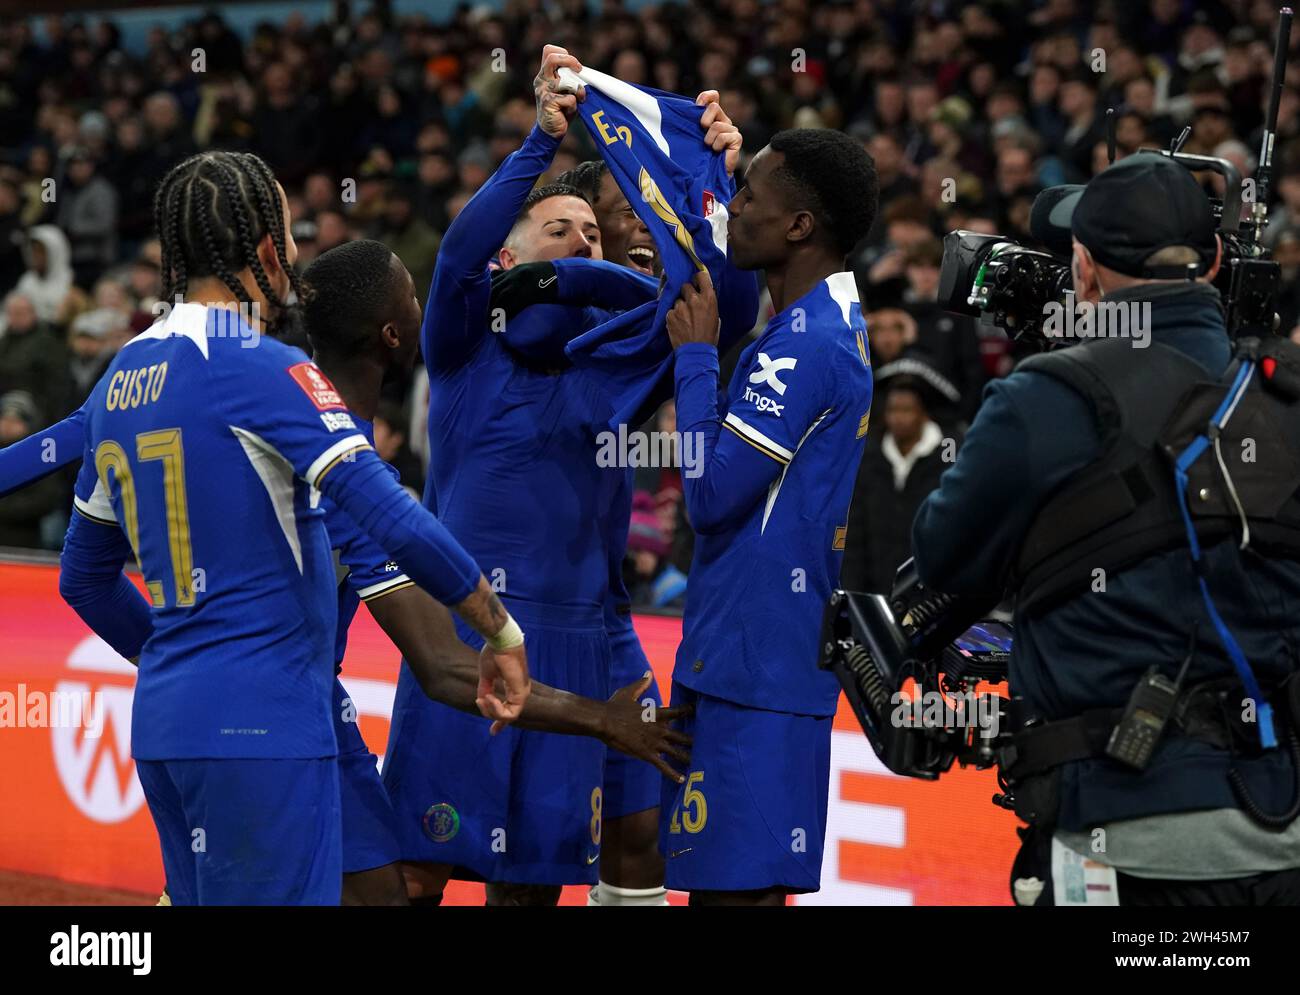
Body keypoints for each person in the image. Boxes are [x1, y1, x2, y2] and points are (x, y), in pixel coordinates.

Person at [57, 149, 530, 906]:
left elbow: (81, 576)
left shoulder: (120, 377)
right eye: (289, 236)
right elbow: (389, 513)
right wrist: (498, 628)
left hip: (166, 724)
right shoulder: (266, 367)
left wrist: (187, 657)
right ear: (269, 250)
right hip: (266, 728)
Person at [912, 154, 1300, 905]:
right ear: (1216, 259)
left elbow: (943, 556)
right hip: (1283, 830)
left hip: (1124, 838)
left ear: (1083, 270)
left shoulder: (1044, 398)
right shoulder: (1283, 392)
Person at [659, 128, 878, 904]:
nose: (735, 210)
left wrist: (695, 355)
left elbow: (711, 496)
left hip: (756, 670)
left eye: (749, 195)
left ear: (799, 226)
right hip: (751, 659)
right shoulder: (816, 326)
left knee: (732, 896)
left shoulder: (805, 345)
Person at [842, 374, 951, 595]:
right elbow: (854, 534)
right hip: (876, 592)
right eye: (893, 409)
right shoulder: (869, 457)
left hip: (929, 595)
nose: (898, 418)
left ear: (924, 414)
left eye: (906, 410)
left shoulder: (947, 462)